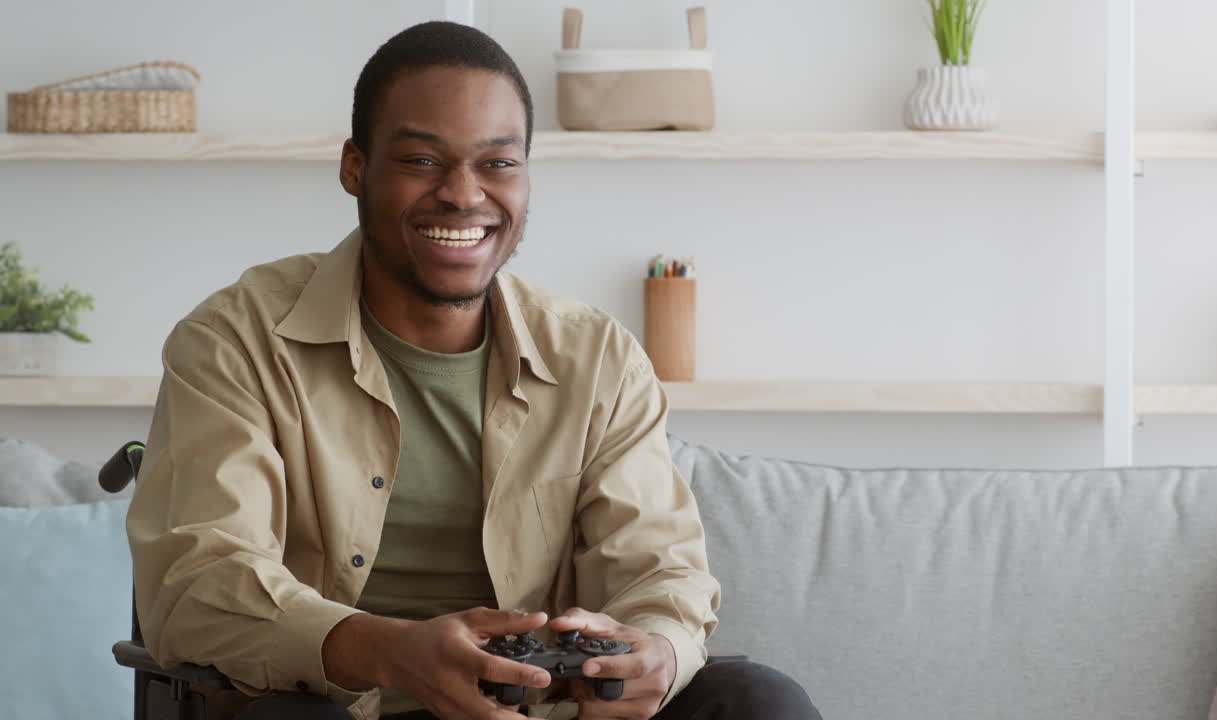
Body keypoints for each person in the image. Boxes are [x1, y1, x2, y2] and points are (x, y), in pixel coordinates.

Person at [126, 21, 821, 720]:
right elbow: (200, 584)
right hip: (335, 708)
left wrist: (656, 653)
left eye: (498, 163)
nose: (464, 194)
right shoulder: (234, 342)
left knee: (759, 701)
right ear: (355, 168)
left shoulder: (598, 359)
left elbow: (658, 570)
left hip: (542, 711)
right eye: (423, 161)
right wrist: (394, 653)